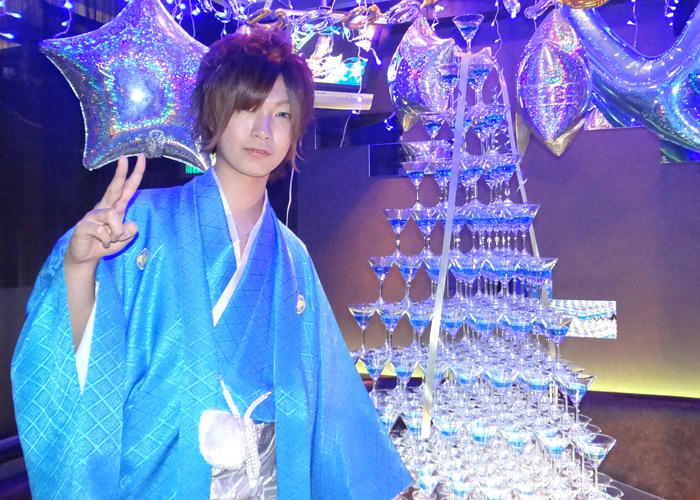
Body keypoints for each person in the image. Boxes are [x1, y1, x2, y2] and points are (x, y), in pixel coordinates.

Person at [12, 28, 411, 500]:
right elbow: (78, 358)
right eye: (246, 108)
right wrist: (79, 269)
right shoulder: (142, 224)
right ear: (213, 113)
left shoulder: (292, 256)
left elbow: (333, 395)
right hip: (159, 481)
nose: (264, 130)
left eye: (282, 113)